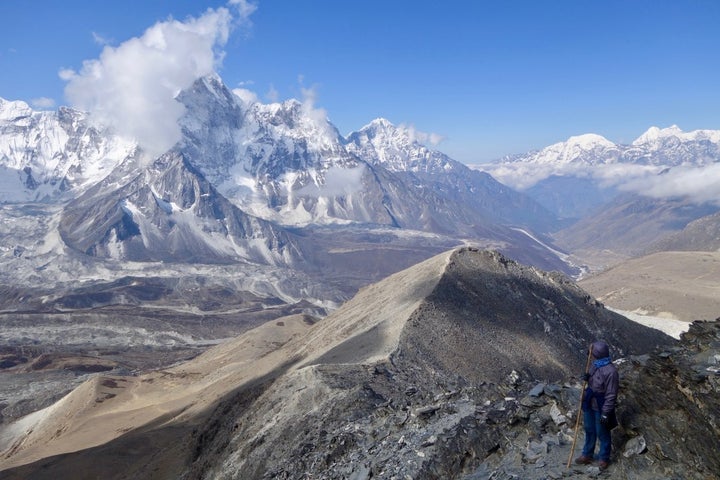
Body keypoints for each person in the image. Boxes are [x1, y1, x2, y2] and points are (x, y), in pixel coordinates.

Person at [575, 340, 619, 470]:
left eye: (592, 353)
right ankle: (587, 454)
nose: (590, 356)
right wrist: (587, 378)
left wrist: (606, 412)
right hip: (590, 401)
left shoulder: (611, 372)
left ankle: (603, 458)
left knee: (602, 432)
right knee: (589, 428)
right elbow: (593, 382)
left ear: (597, 354)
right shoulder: (594, 365)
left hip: (601, 404)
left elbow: (611, 394)